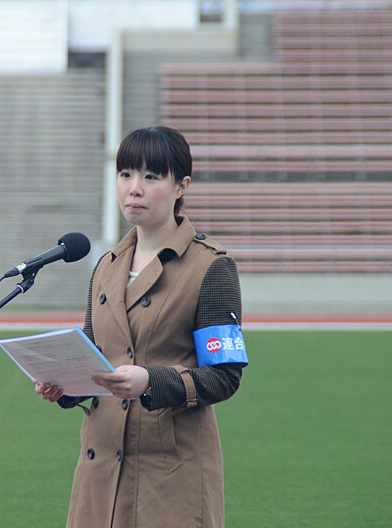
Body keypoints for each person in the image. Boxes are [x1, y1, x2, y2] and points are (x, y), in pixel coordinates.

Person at [35, 126, 248, 528]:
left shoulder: (211, 267)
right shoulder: (106, 266)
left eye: (151, 177)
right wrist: (63, 384)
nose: (134, 188)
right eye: (125, 174)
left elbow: (225, 376)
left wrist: (151, 380)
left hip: (171, 477)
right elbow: (95, 358)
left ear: (182, 186)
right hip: (99, 473)